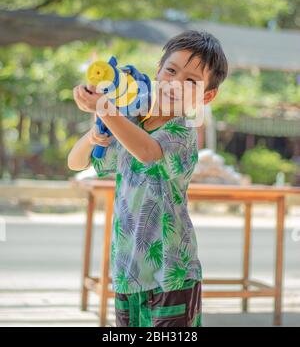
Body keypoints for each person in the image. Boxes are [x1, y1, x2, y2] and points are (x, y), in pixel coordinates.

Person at [68, 30, 228, 327]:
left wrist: (107, 110)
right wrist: (95, 132)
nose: (175, 84)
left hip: (171, 273)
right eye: (171, 71)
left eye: (191, 81)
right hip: (128, 271)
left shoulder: (182, 133)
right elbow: (76, 162)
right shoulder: (129, 123)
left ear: (207, 95)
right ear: (158, 71)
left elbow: (148, 152)